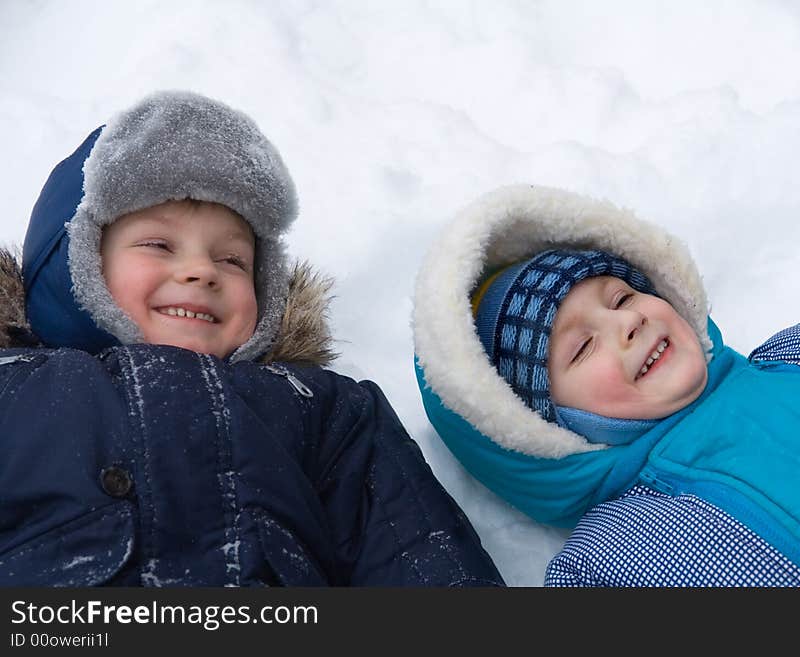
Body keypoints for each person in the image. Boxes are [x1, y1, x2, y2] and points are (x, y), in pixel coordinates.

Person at [0, 90, 504, 587]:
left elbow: (415, 551)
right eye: (158, 244)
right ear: (75, 262)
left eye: (233, 260)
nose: (201, 270)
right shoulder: (15, 389)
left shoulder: (324, 409)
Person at [413, 183, 800, 586]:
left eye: (621, 296)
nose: (627, 323)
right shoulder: (612, 555)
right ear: (538, 429)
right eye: (582, 348)